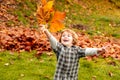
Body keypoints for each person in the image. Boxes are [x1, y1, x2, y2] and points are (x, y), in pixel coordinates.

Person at [40, 25, 105, 80]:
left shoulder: (77, 50)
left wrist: (97, 50)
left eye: (68, 36)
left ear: (73, 40)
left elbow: (87, 51)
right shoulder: (59, 48)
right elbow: (52, 40)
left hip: (72, 77)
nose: (65, 37)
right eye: (63, 36)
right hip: (60, 77)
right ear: (60, 39)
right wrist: (46, 31)